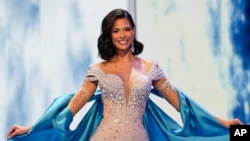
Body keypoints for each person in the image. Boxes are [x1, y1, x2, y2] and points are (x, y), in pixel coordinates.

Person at [7, 9, 243, 141]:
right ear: (109, 35)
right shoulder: (98, 70)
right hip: (103, 137)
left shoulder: (151, 67)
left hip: (139, 137)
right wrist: (31, 127)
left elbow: (181, 104)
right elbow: (71, 107)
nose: (122, 35)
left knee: (239, 136)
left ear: (134, 31)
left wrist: (224, 123)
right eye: (116, 30)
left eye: (127, 29)